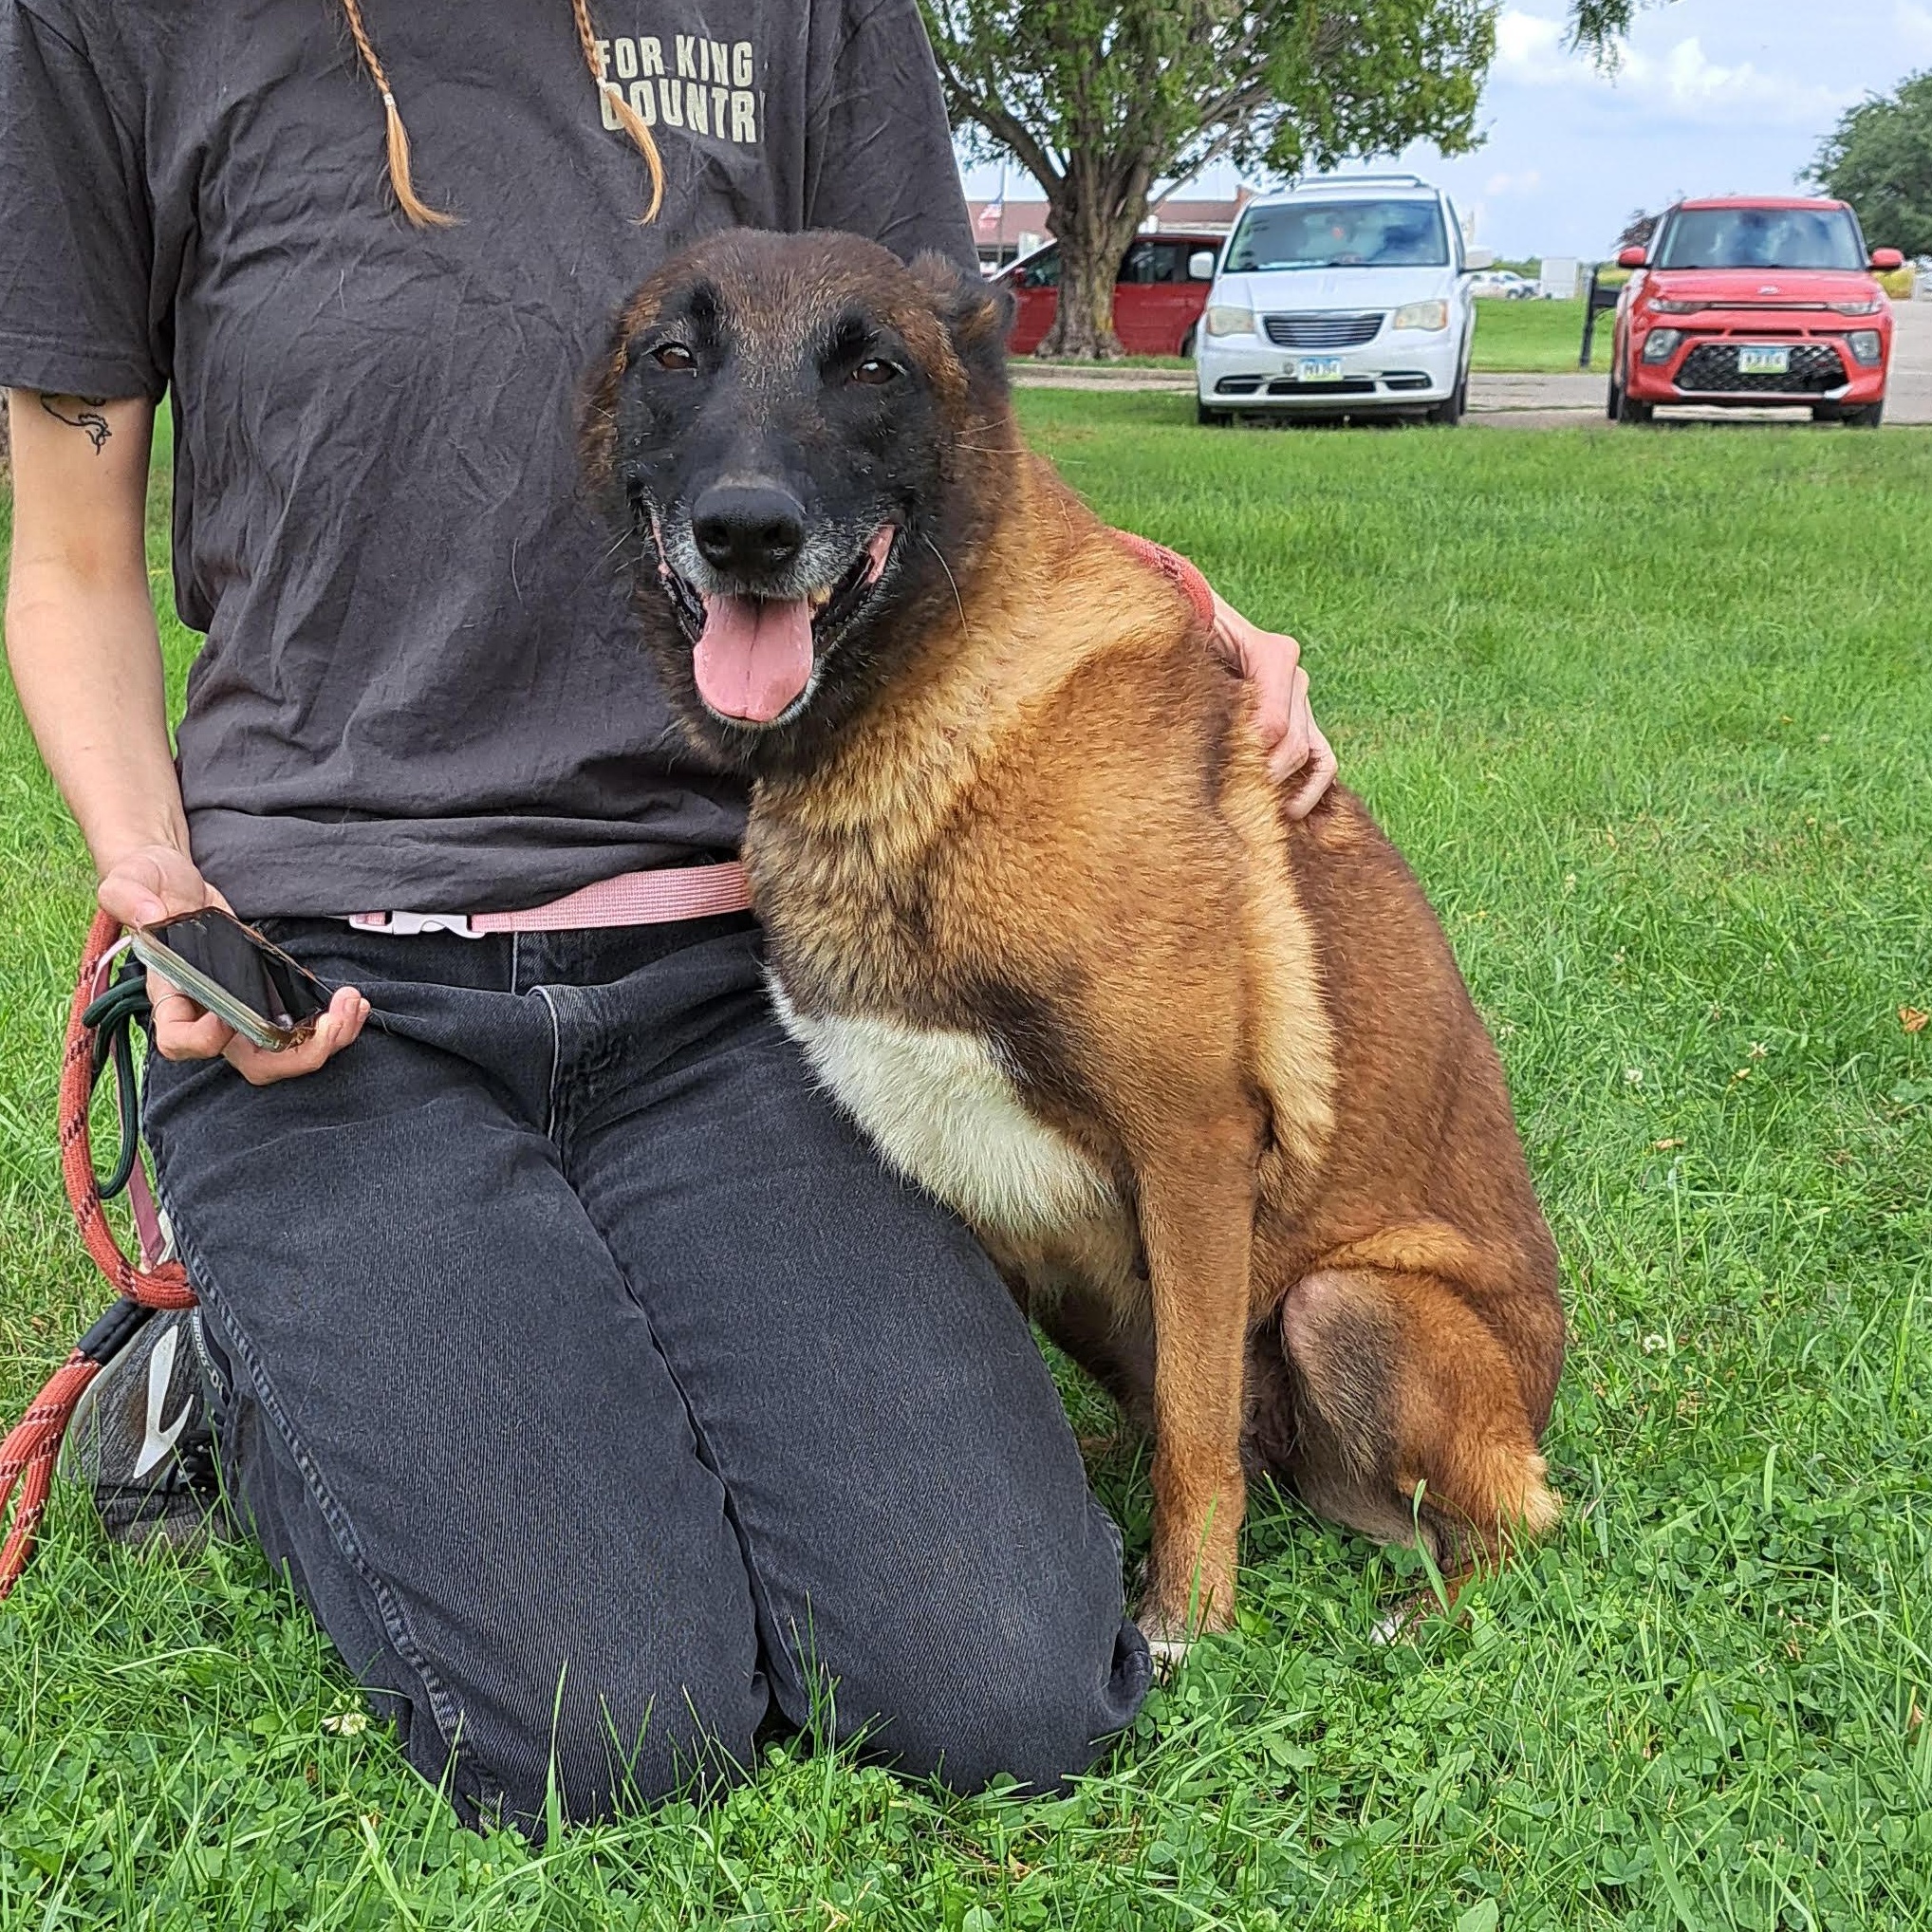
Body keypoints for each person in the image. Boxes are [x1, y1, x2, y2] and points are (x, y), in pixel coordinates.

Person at [0, 0, 1336, 1834]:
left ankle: (521, 1315)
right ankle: (230, 1350)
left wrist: (1162, 601)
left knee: (1008, 1687)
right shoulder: (109, 24)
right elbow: (70, 549)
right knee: (608, 1728)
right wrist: (150, 862)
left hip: (729, 978)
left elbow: (927, 401)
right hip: (333, 994)